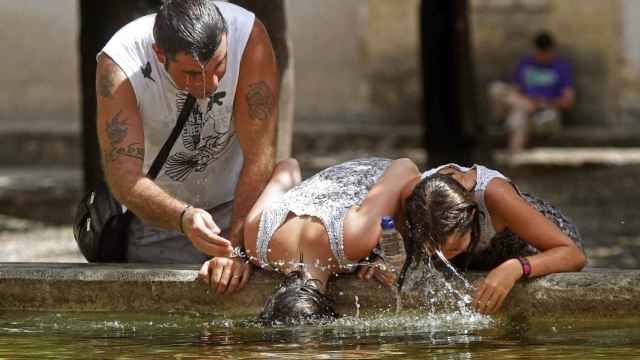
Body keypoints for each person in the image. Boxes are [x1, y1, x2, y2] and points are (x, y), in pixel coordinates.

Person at [95, 0, 278, 281]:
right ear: (159, 54)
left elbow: (260, 154)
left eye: (219, 66)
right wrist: (183, 218)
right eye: (193, 74)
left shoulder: (248, 37)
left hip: (240, 203)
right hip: (159, 216)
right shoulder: (119, 62)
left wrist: (238, 247)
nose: (211, 85)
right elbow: (123, 176)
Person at [199, 157, 420, 324]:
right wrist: (238, 255)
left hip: (382, 173)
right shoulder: (257, 244)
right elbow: (288, 166)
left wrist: (385, 256)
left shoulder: (352, 242)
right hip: (346, 182)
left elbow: (405, 166)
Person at [410, 163, 586, 315]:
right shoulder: (417, 202)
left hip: (537, 245)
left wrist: (516, 267)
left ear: (471, 216)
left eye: (454, 248)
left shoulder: (495, 195)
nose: (445, 258)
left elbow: (574, 255)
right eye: (436, 251)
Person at [489, 31, 575, 156]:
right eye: (540, 53)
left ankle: (513, 155)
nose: (542, 56)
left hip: (546, 113)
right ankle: (514, 157)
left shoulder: (561, 67)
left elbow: (568, 101)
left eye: (546, 53)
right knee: (497, 89)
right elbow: (514, 91)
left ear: (552, 50)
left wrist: (544, 103)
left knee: (520, 114)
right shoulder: (526, 64)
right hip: (524, 107)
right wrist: (528, 102)